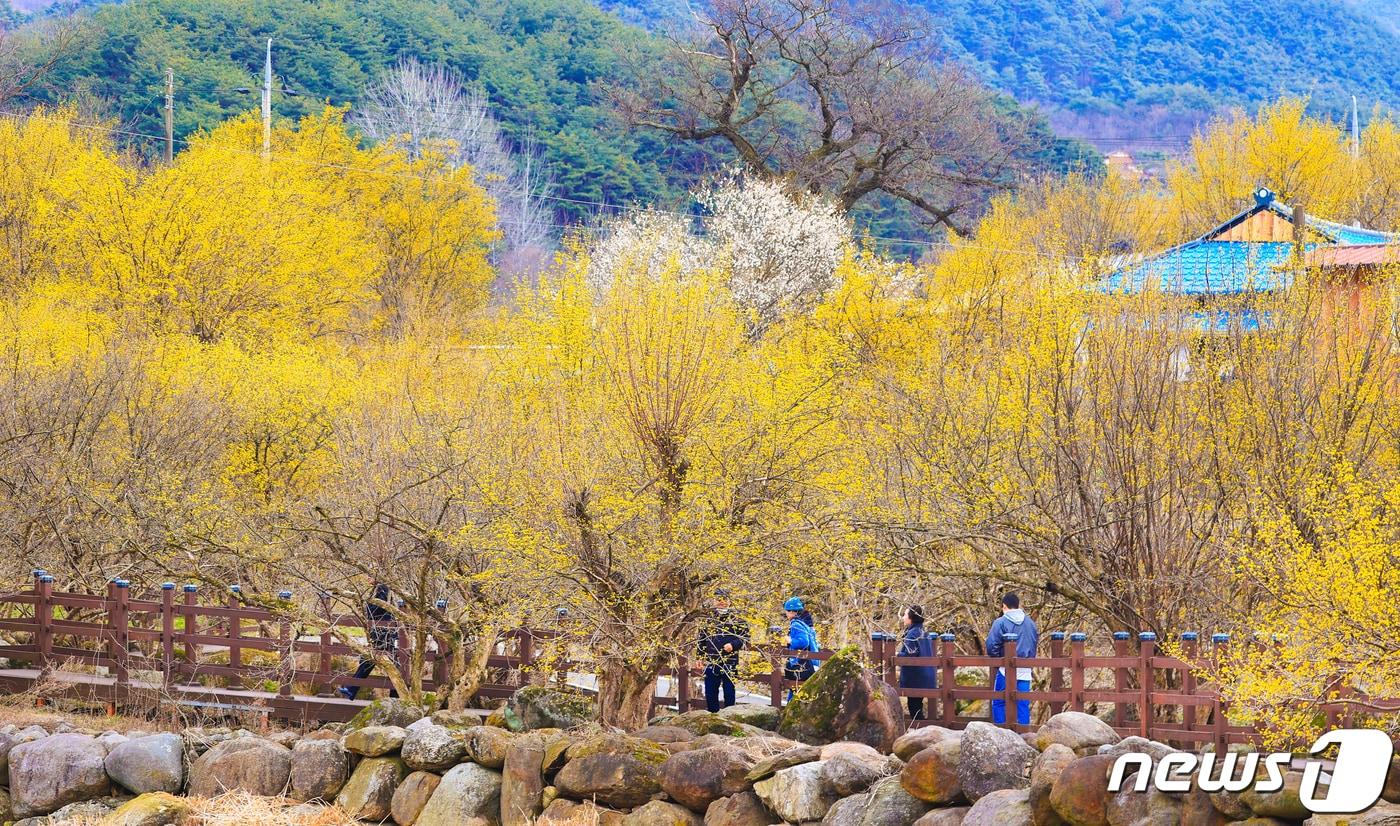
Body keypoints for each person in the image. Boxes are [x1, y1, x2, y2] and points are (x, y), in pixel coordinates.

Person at [985, 592, 1038, 725]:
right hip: (1025, 669)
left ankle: (1001, 732)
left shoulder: (1000, 622)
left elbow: (991, 645)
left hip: (1005, 669)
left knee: (998, 701)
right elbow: (1033, 645)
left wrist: (999, 661)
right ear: (1018, 605)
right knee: (1023, 703)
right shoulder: (1030, 623)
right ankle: (1023, 734)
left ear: (1004, 606)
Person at [340, 583, 399, 701]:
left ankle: (396, 696)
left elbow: (379, 607)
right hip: (380, 632)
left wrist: (367, 604)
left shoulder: (383, 588)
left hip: (384, 633)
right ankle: (352, 689)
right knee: (371, 661)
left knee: (388, 664)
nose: (367, 578)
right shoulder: (377, 589)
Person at [697, 589, 749, 712]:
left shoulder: (738, 620)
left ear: (729, 601)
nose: (721, 602)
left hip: (729, 661)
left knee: (729, 692)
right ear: (714, 601)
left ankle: (729, 718)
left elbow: (745, 638)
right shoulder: (708, 619)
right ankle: (712, 718)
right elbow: (701, 639)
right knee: (710, 692)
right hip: (711, 660)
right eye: (718, 599)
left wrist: (733, 645)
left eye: (724, 599)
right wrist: (699, 656)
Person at [897, 604, 936, 721]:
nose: (903, 617)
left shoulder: (913, 634)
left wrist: (897, 655)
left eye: (905, 615)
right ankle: (921, 731)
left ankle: (921, 732)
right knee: (917, 706)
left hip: (916, 678)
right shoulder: (924, 632)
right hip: (925, 676)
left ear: (911, 618)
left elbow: (910, 654)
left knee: (914, 708)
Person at [782, 597, 819, 697]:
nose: (786, 613)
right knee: (797, 690)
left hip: (801, 664)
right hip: (810, 663)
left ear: (791, 611)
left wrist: (790, 640)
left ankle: (790, 710)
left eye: (786, 611)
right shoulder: (803, 624)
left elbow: (804, 642)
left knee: (795, 689)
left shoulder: (795, 624)